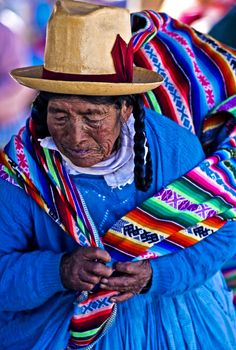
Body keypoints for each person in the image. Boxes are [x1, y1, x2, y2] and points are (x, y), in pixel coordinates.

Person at [0, 1, 235, 350]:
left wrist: (157, 275)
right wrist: (60, 271)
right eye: (60, 116)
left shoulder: (173, 151)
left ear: (126, 108)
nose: (75, 137)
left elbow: (221, 232)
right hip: (61, 330)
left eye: (92, 117)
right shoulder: (22, 171)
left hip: (175, 325)